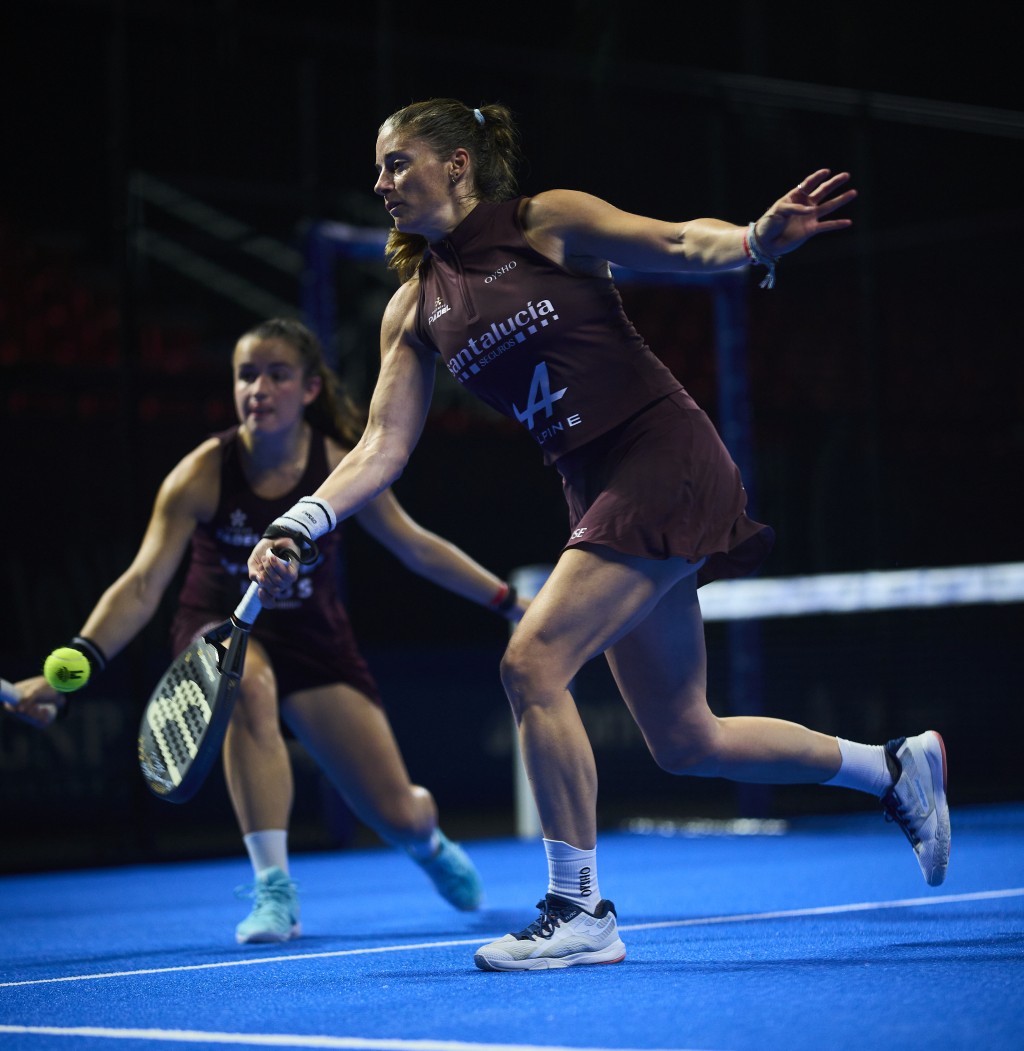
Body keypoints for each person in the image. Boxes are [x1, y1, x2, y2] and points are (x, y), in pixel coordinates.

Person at [246, 99, 950, 971]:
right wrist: (301, 518)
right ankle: (891, 768)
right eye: (381, 167)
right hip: (595, 489)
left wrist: (756, 240)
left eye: (398, 163)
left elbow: (679, 242)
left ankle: (578, 910)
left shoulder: (547, 221)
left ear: (458, 163)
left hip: (662, 456)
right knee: (687, 738)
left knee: (531, 662)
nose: (381, 182)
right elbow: (381, 446)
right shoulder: (412, 310)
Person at [7, 316, 530, 944]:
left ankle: (426, 844)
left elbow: (415, 547)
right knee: (245, 686)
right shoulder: (202, 472)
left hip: (314, 640)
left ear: (310, 389)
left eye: (277, 375)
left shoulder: (339, 465)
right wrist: (74, 666)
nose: (258, 388)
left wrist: (506, 601)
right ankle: (274, 890)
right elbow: (144, 583)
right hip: (216, 629)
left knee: (400, 813)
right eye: (246, 375)